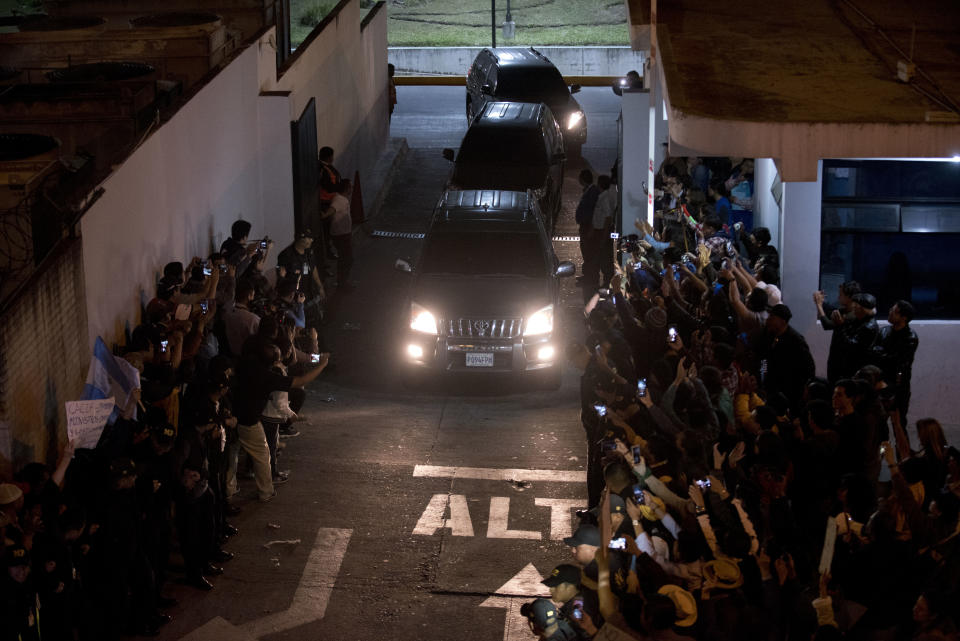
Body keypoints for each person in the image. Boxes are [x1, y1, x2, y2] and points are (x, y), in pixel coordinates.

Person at [759, 303, 815, 414]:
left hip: (790, 392)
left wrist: (805, 389)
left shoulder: (796, 341)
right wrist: (762, 378)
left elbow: (809, 368)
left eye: (772, 317)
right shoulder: (769, 335)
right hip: (771, 389)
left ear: (783, 321)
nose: (768, 320)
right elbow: (764, 359)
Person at [873, 299, 919, 428]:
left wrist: (882, 355)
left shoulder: (910, 337)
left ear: (903, 317)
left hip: (898, 387)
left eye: (894, 311)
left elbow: (898, 360)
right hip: (880, 382)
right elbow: (873, 351)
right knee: (878, 422)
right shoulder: (884, 331)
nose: (890, 312)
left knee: (898, 423)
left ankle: (902, 448)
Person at [320, 179, 354, 292]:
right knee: (347, 259)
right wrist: (324, 215)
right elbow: (332, 210)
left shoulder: (340, 198)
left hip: (342, 234)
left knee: (345, 258)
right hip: (341, 235)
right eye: (350, 186)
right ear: (346, 188)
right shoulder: (340, 200)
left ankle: (342, 282)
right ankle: (342, 284)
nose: (352, 188)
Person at [574, 169, 599, 284]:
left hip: (587, 227)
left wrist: (590, 228)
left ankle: (590, 277)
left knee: (589, 252)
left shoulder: (592, 192)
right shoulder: (589, 191)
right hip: (585, 226)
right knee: (586, 251)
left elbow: (592, 212)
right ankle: (588, 275)